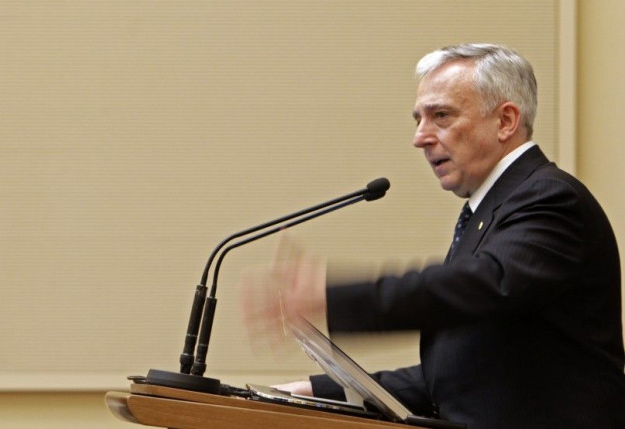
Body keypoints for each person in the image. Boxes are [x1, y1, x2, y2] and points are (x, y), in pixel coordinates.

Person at [241, 43, 625, 428]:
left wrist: (329, 296)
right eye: (418, 119)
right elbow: (456, 377)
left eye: (441, 116)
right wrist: (313, 390)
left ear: (506, 121)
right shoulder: (489, 212)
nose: (420, 137)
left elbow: (484, 284)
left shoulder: (550, 199)